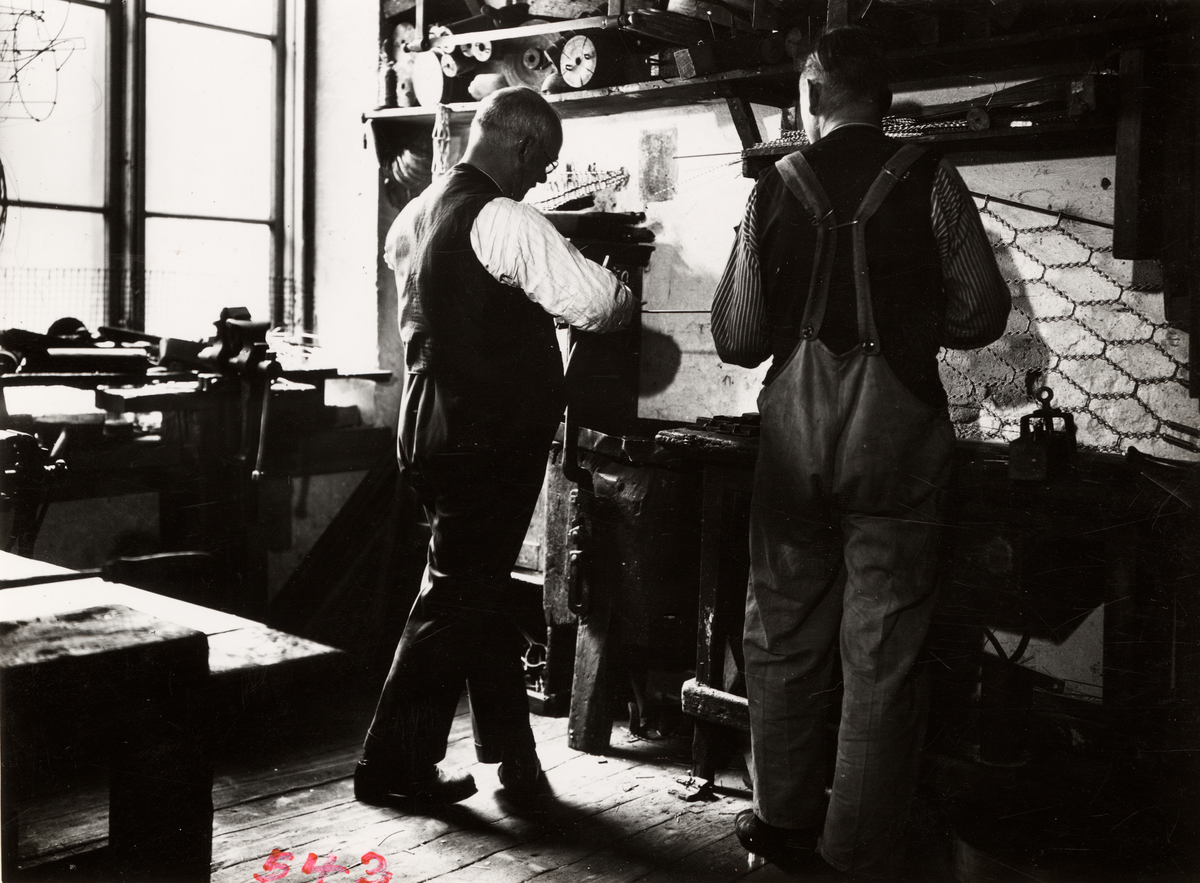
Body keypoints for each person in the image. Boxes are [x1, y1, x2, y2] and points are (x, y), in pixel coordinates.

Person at [710, 26, 1011, 879]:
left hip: (793, 448)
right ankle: (856, 851)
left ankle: (779, 823)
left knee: (782, 637)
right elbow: (981, 312)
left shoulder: (773, 186)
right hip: (897, 443)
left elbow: (736, 335)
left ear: (810, 96)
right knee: (882, 653)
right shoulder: (933, 176)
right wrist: (909, 327)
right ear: (882, 100)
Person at [356, 86, 634, 805]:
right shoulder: (504, 217)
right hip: (484, 439)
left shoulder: (417, 213)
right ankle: (390, 766)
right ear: (524, 144)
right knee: (455, 595)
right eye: (543, 163)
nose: (541, 179)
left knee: (473, 587)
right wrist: (613, 280)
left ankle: (514, 761)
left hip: (425, 426)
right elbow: (601, 305)